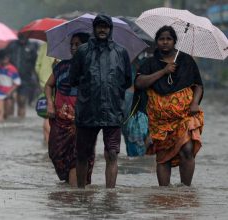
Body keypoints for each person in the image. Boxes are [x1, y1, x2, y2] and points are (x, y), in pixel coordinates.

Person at [134, 26, 204, 186]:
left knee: (187, 150)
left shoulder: (186, 61)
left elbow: (198, 85)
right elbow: (139, 82)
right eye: (161, 39)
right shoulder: (150, 63)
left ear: (174, 41)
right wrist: (163, 71)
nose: (165, 42)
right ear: (157, 41)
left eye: (168, 39)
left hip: (184, 115)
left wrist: (195, 103)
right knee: (163, 157)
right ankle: (164, 195)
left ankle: (185, 191)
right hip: (160, 122)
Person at [69, 14, 132, 188]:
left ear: (110, 29)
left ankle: (110, 194)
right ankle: (81, 191)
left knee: (112, 154)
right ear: (94, 28)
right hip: (87, 110)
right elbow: (72, 78)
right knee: (82, 154)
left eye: (105, 26)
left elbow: (127, 80)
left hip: (112, 111)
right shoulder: (82, 51)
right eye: (99, 26)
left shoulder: (121, 52)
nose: (102, 29)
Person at [45, 32, 91, 187]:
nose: (73, 47)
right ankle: (71, 185)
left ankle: (74, 196)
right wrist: (50, 104)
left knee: (77, 157)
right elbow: (48, 85)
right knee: (55, 153)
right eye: (72, 44)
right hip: (60, 120)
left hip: (83, 120)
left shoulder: (93, 68)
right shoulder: (62, 66)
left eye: (77, 44)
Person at [6, 33, 38, 118]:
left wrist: (36, 76)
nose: (22, 38)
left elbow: (35, 63)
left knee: (22, 101)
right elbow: (6, 59)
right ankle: (10, 124)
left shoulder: (32, 47)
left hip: (25, 78)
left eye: (24, 36)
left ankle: (21, 122)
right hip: (11, 78)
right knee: (9, 100)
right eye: (20, 36)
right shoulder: (12, 45)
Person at [0, 49, 21, 122]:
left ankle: (3, 128)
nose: (4, 59)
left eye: (6, 57)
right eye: (3, 57)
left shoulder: (12, 69)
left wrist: (10, 92)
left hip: (8, 93)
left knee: (6, 114)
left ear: (8, 58)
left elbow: (17, 83)